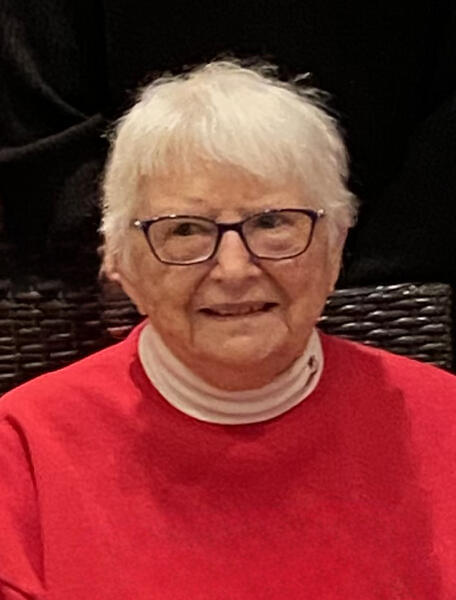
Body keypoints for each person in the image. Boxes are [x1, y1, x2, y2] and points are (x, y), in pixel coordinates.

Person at [0, 60, 455, 600]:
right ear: (119, 260)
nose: (234, 270)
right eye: (185, 230)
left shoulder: (443, 420)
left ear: (336, 246)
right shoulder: (22, 450)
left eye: (272, 222)